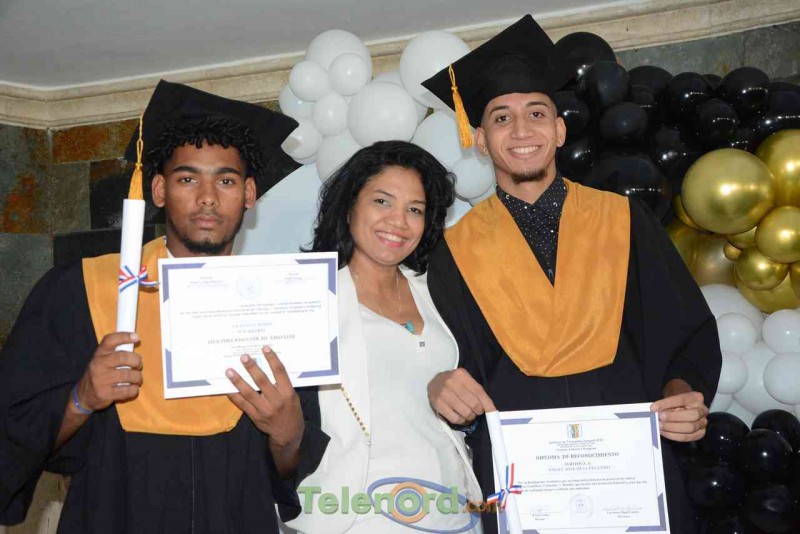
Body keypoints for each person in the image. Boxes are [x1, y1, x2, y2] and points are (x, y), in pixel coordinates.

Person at [420, 15, 721, 534]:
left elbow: (683, 329)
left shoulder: (624, 221)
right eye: (501, 118)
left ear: (559, 130)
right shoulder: (454, 250)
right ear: (480, 140)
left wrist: (682, 392)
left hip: (631, 473)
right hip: (526, 485)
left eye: (536, 113)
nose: (521, 131)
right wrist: (441, 386)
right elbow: (446, 363)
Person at [0, 80, 329, 534]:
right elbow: (11, 435)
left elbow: (287, 466)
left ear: (250, 194)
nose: (208, 197)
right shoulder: (82, 291)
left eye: (227, 180)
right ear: (158, 190)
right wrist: (80, 399)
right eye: (187, 179)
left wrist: (289, 434)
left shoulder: (279, 304)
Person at [284, 141, 482, 534]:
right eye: (382, 201)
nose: (398, 221)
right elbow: (289, 428)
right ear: (349, 206)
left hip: (451, 511)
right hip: (355, 516)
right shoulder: (307, 300)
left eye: (415, 210)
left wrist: (463, 412)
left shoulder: (439, 293)